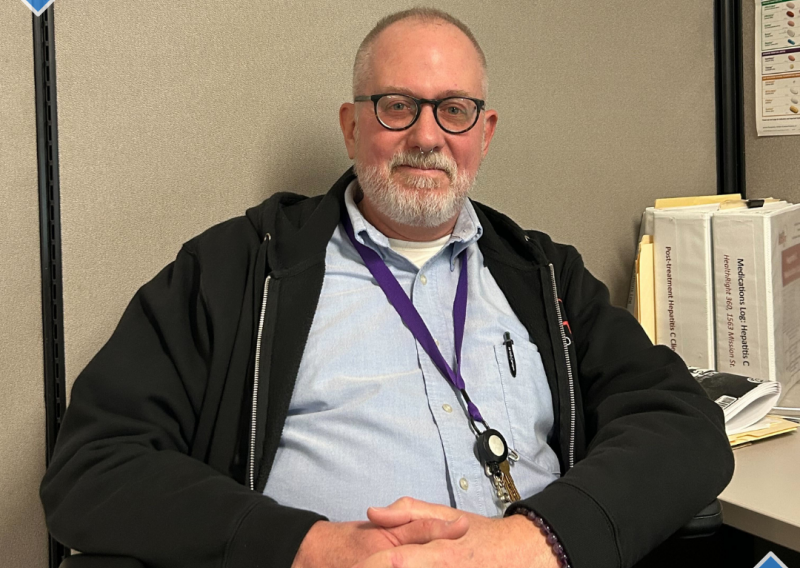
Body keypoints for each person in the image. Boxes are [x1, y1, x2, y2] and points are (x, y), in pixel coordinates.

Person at [41, 8, 734, 568]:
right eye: (397, 106)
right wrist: (309, 548)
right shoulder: (237, 271)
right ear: (352, 126)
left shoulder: (546, 277)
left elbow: (684, 427)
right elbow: (93, 470)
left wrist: (535, 542)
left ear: (484, 134)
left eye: (454, 110)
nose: (427, 136)